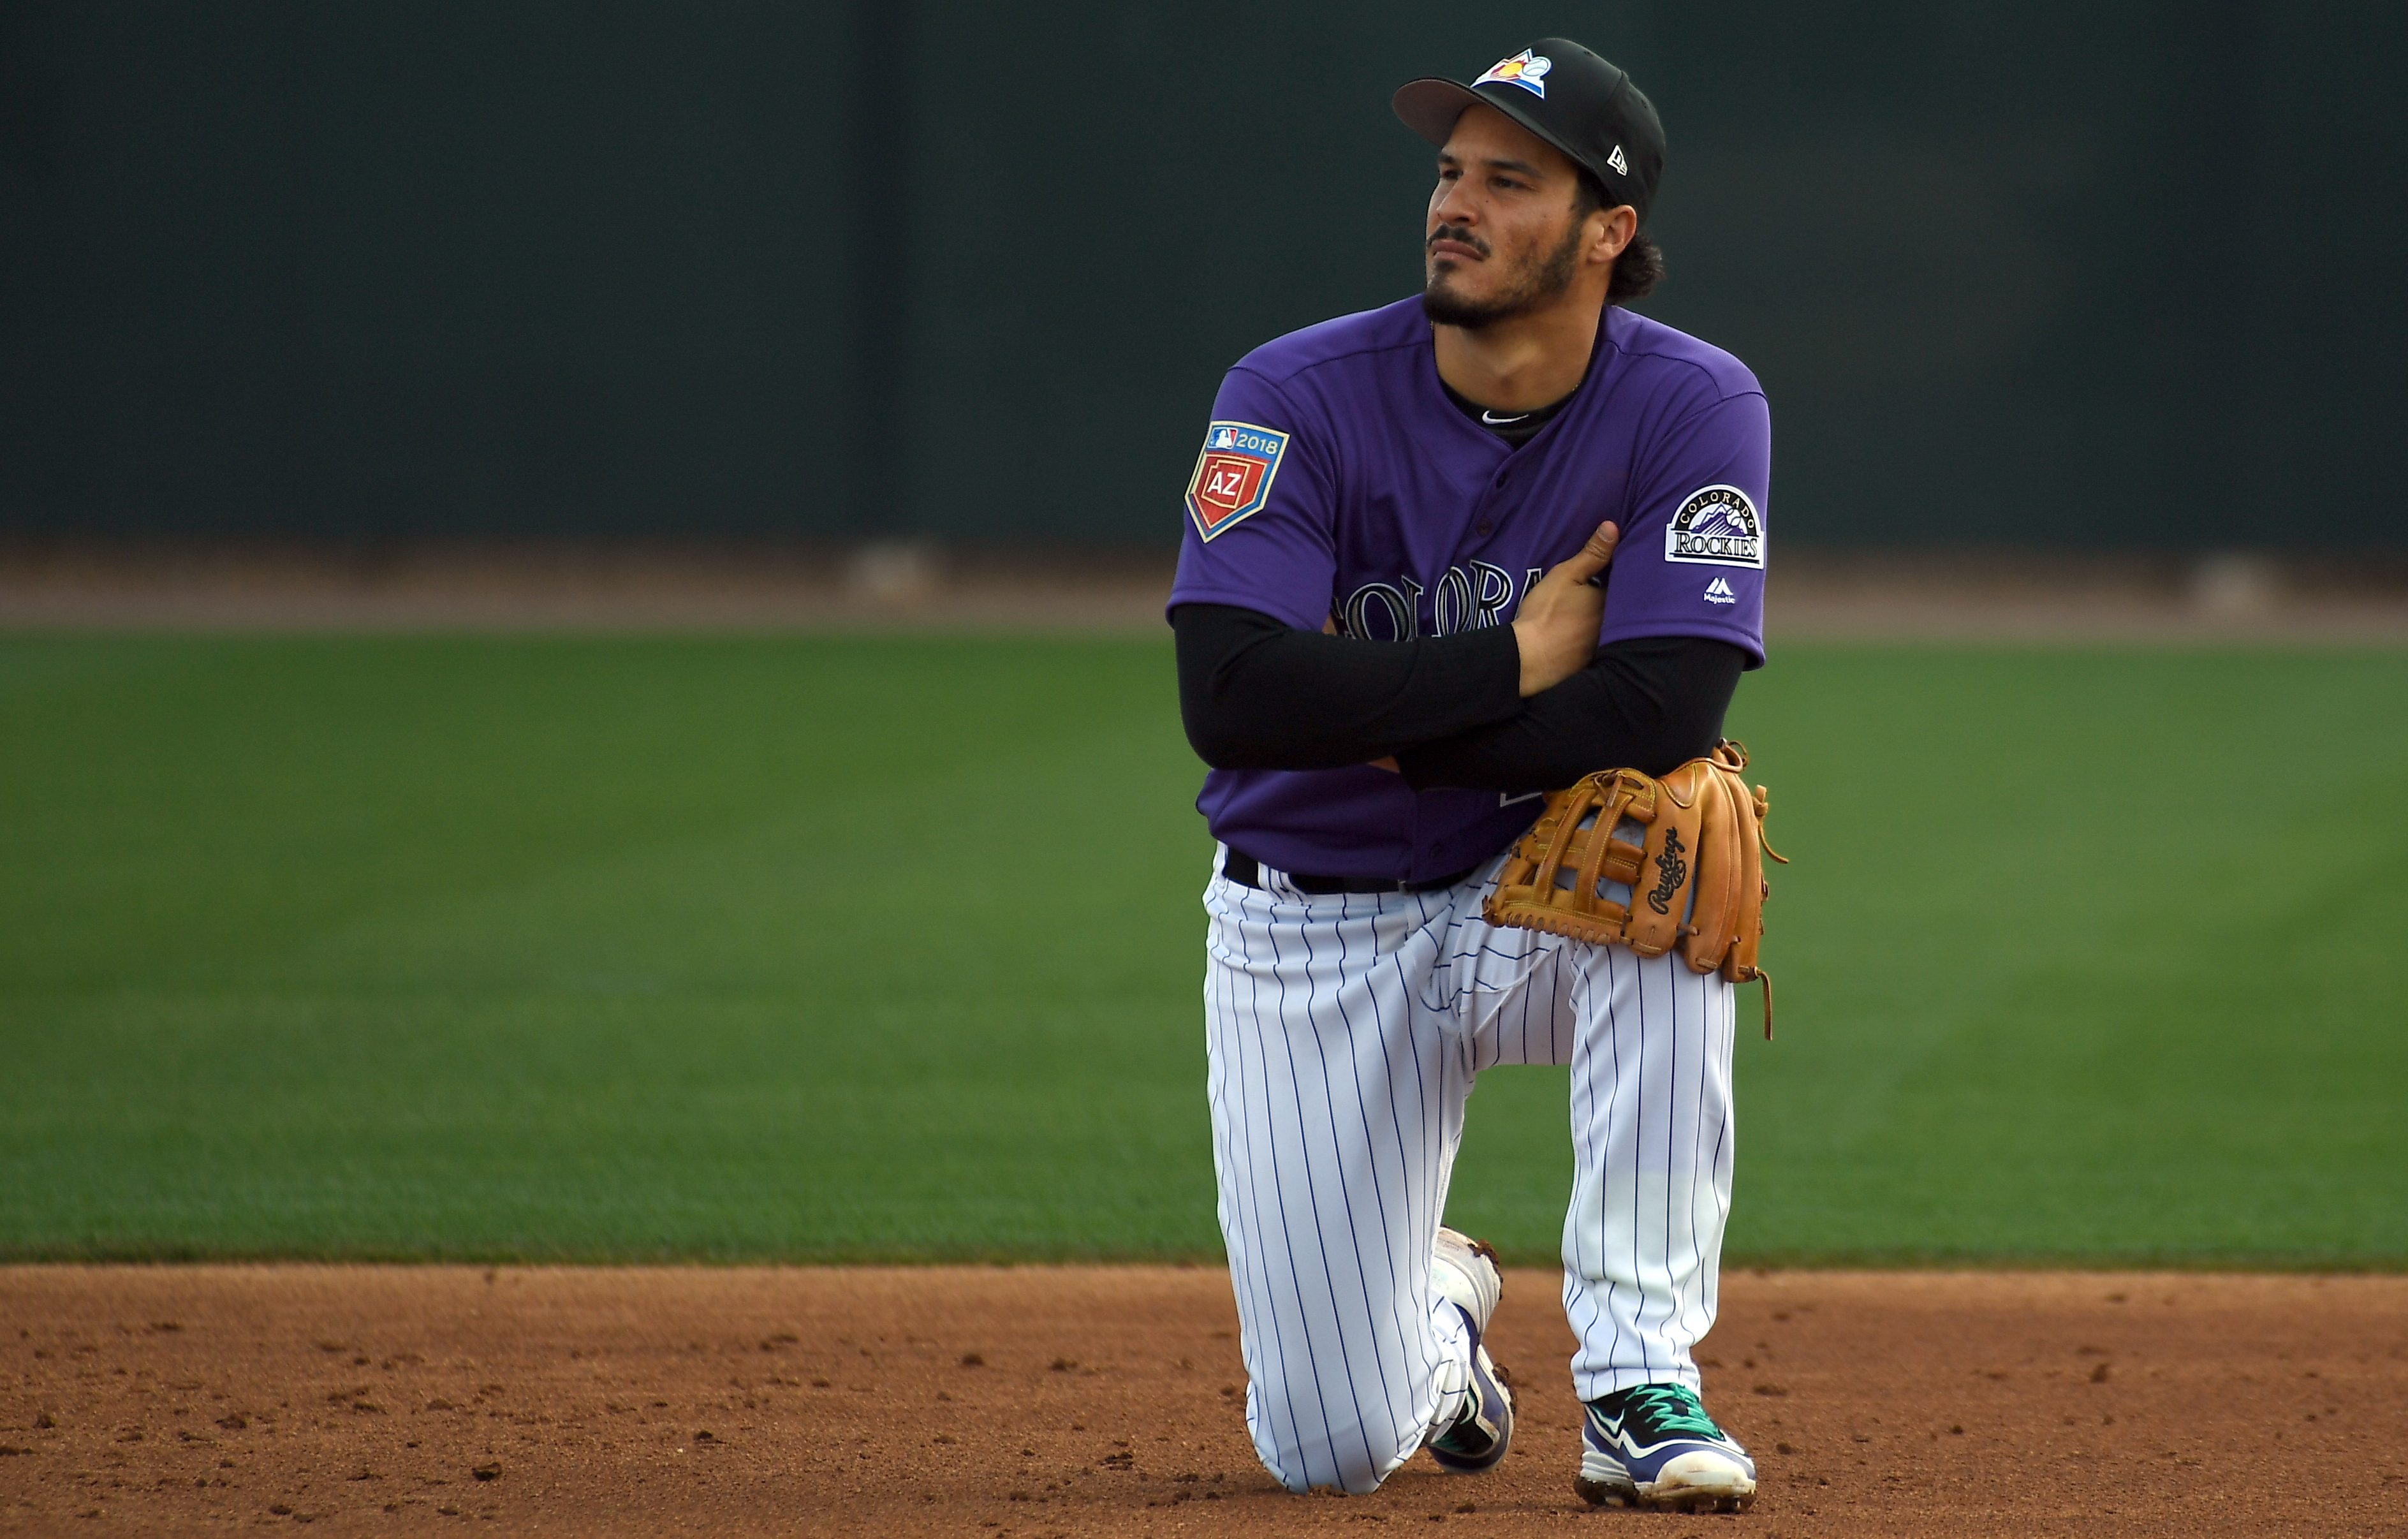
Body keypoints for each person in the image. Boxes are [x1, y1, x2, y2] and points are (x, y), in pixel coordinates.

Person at [1166, 38, 1770, 1512]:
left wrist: (1360, 711)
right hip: (1302, 925)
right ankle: (1438, 1323)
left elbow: (1667, 700)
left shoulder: (1694, 403)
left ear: (1606, 230)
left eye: (1511, 180)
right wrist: (1509, 665)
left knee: (1677, 832)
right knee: (1321, 1449)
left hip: (1524, 901)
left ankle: (1636, 1378)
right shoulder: (1295, 388)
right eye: (1451, 173)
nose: (1458, 203)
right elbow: (1232, 695)